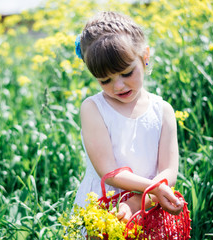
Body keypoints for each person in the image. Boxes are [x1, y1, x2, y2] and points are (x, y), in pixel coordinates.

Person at [73, 11, 184, 224]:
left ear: (145, 56)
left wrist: (138, 201)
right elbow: (109, 171)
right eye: (105, 80)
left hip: (150, 204)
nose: (119, 86)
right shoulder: (93, 108)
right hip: (104, 206)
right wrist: (154, 189)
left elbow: (168, 170)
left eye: (126, 73)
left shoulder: (163, 110)